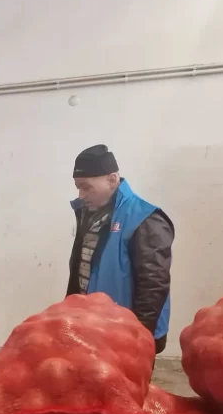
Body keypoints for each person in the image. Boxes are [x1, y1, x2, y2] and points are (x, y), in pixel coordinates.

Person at [68, 144, 174, 353]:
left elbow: (153, 286)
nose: (81, 195)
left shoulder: (145, 218)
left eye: (86, 186)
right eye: (78, 187)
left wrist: (139, 337)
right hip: (94, 326)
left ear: (112, 179)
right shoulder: (88, 214)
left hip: (126, 334)